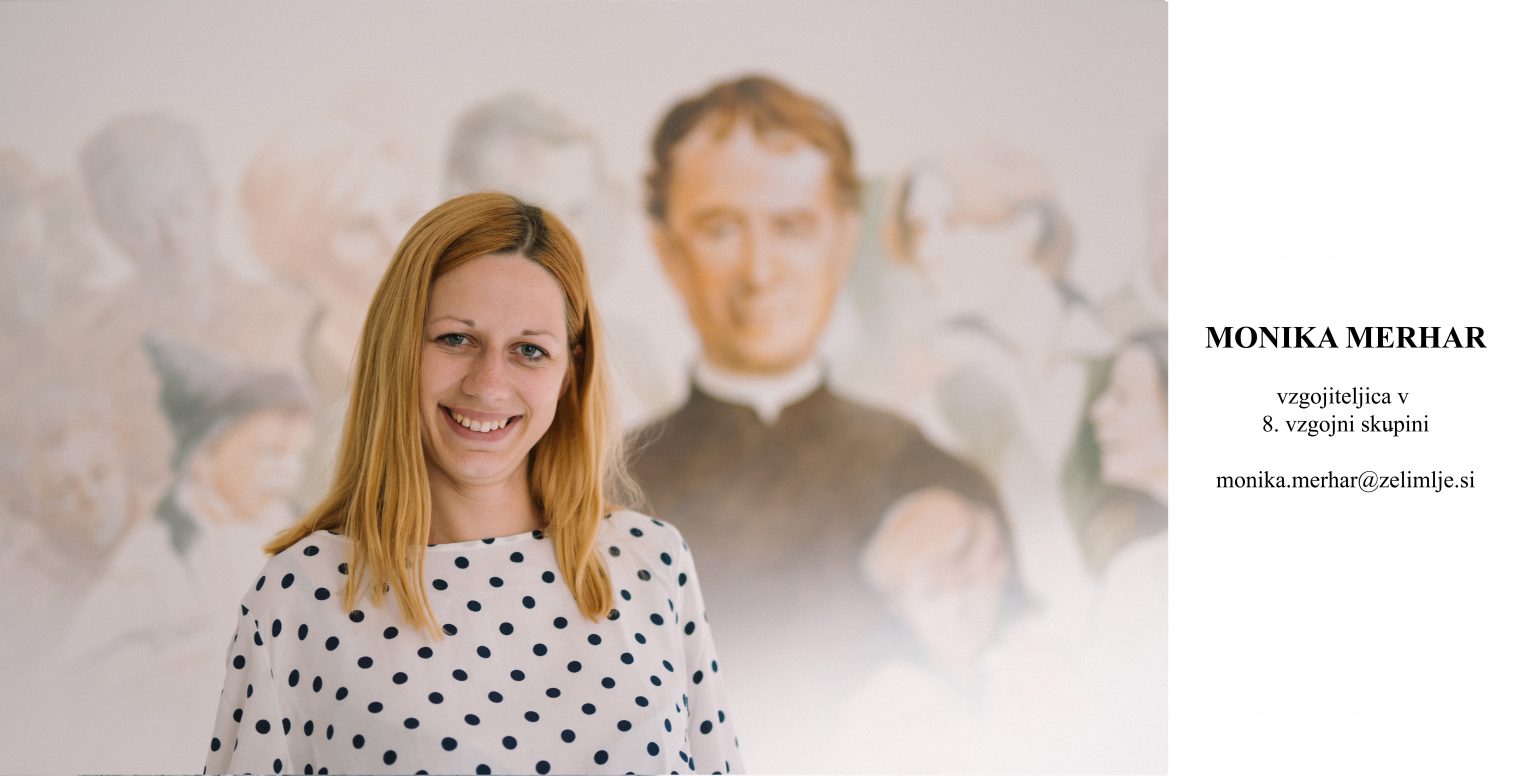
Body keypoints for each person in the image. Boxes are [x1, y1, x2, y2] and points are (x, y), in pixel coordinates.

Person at [204, 193, 741, 775]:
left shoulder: (652, 563)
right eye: (456, 339)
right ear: (398, 349)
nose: (488, 385)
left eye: (529, 350)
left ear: (569, 373)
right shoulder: (303, 591)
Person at [628, 74, 1011, 765]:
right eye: (720, 229)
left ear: (844, 239)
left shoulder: (933, 477)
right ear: (666, 248)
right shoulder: (606, 491)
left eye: (792, 228)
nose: (760, 271)